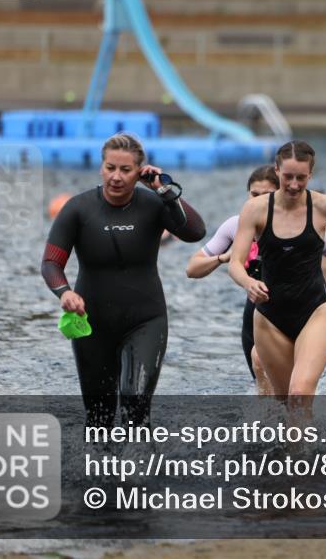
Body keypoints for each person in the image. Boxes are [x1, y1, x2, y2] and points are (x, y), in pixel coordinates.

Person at [41, 133, 206, 427]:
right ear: (101, 167)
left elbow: (195, 232)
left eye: (125, 170)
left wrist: (164, 190)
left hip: (145, 320)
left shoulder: (154, 204)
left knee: (135, 401)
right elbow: (51, 263)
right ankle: (101, 472)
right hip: (92, 324)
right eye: (110, 168)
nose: (116, 177)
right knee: (99, 416)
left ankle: (139, 470)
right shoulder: (78, 209)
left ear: (140, 171)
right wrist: (64, 293)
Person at [186, 165, 326, 396]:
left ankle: (302, 425)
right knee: (266, 386)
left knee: (298, 390)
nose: (259, 200)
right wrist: (224, 257)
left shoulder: (300, 225)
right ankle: (269, 429)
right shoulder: (236, 226)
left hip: (306, 306)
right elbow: (192, 268)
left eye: (265, 195)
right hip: (262, 313)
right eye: (253, 194)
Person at [228, 141, 326, 403]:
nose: (293, 184)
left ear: (310, 175)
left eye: (301, 178)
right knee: (283, 404)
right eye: (288, 177)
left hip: (315, 310)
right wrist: (247, 282)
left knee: (300, 394)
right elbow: (235, 264)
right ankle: (291, 445)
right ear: (277, 170)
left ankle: (305, 445)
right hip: (269, 317)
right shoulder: (255, 209)